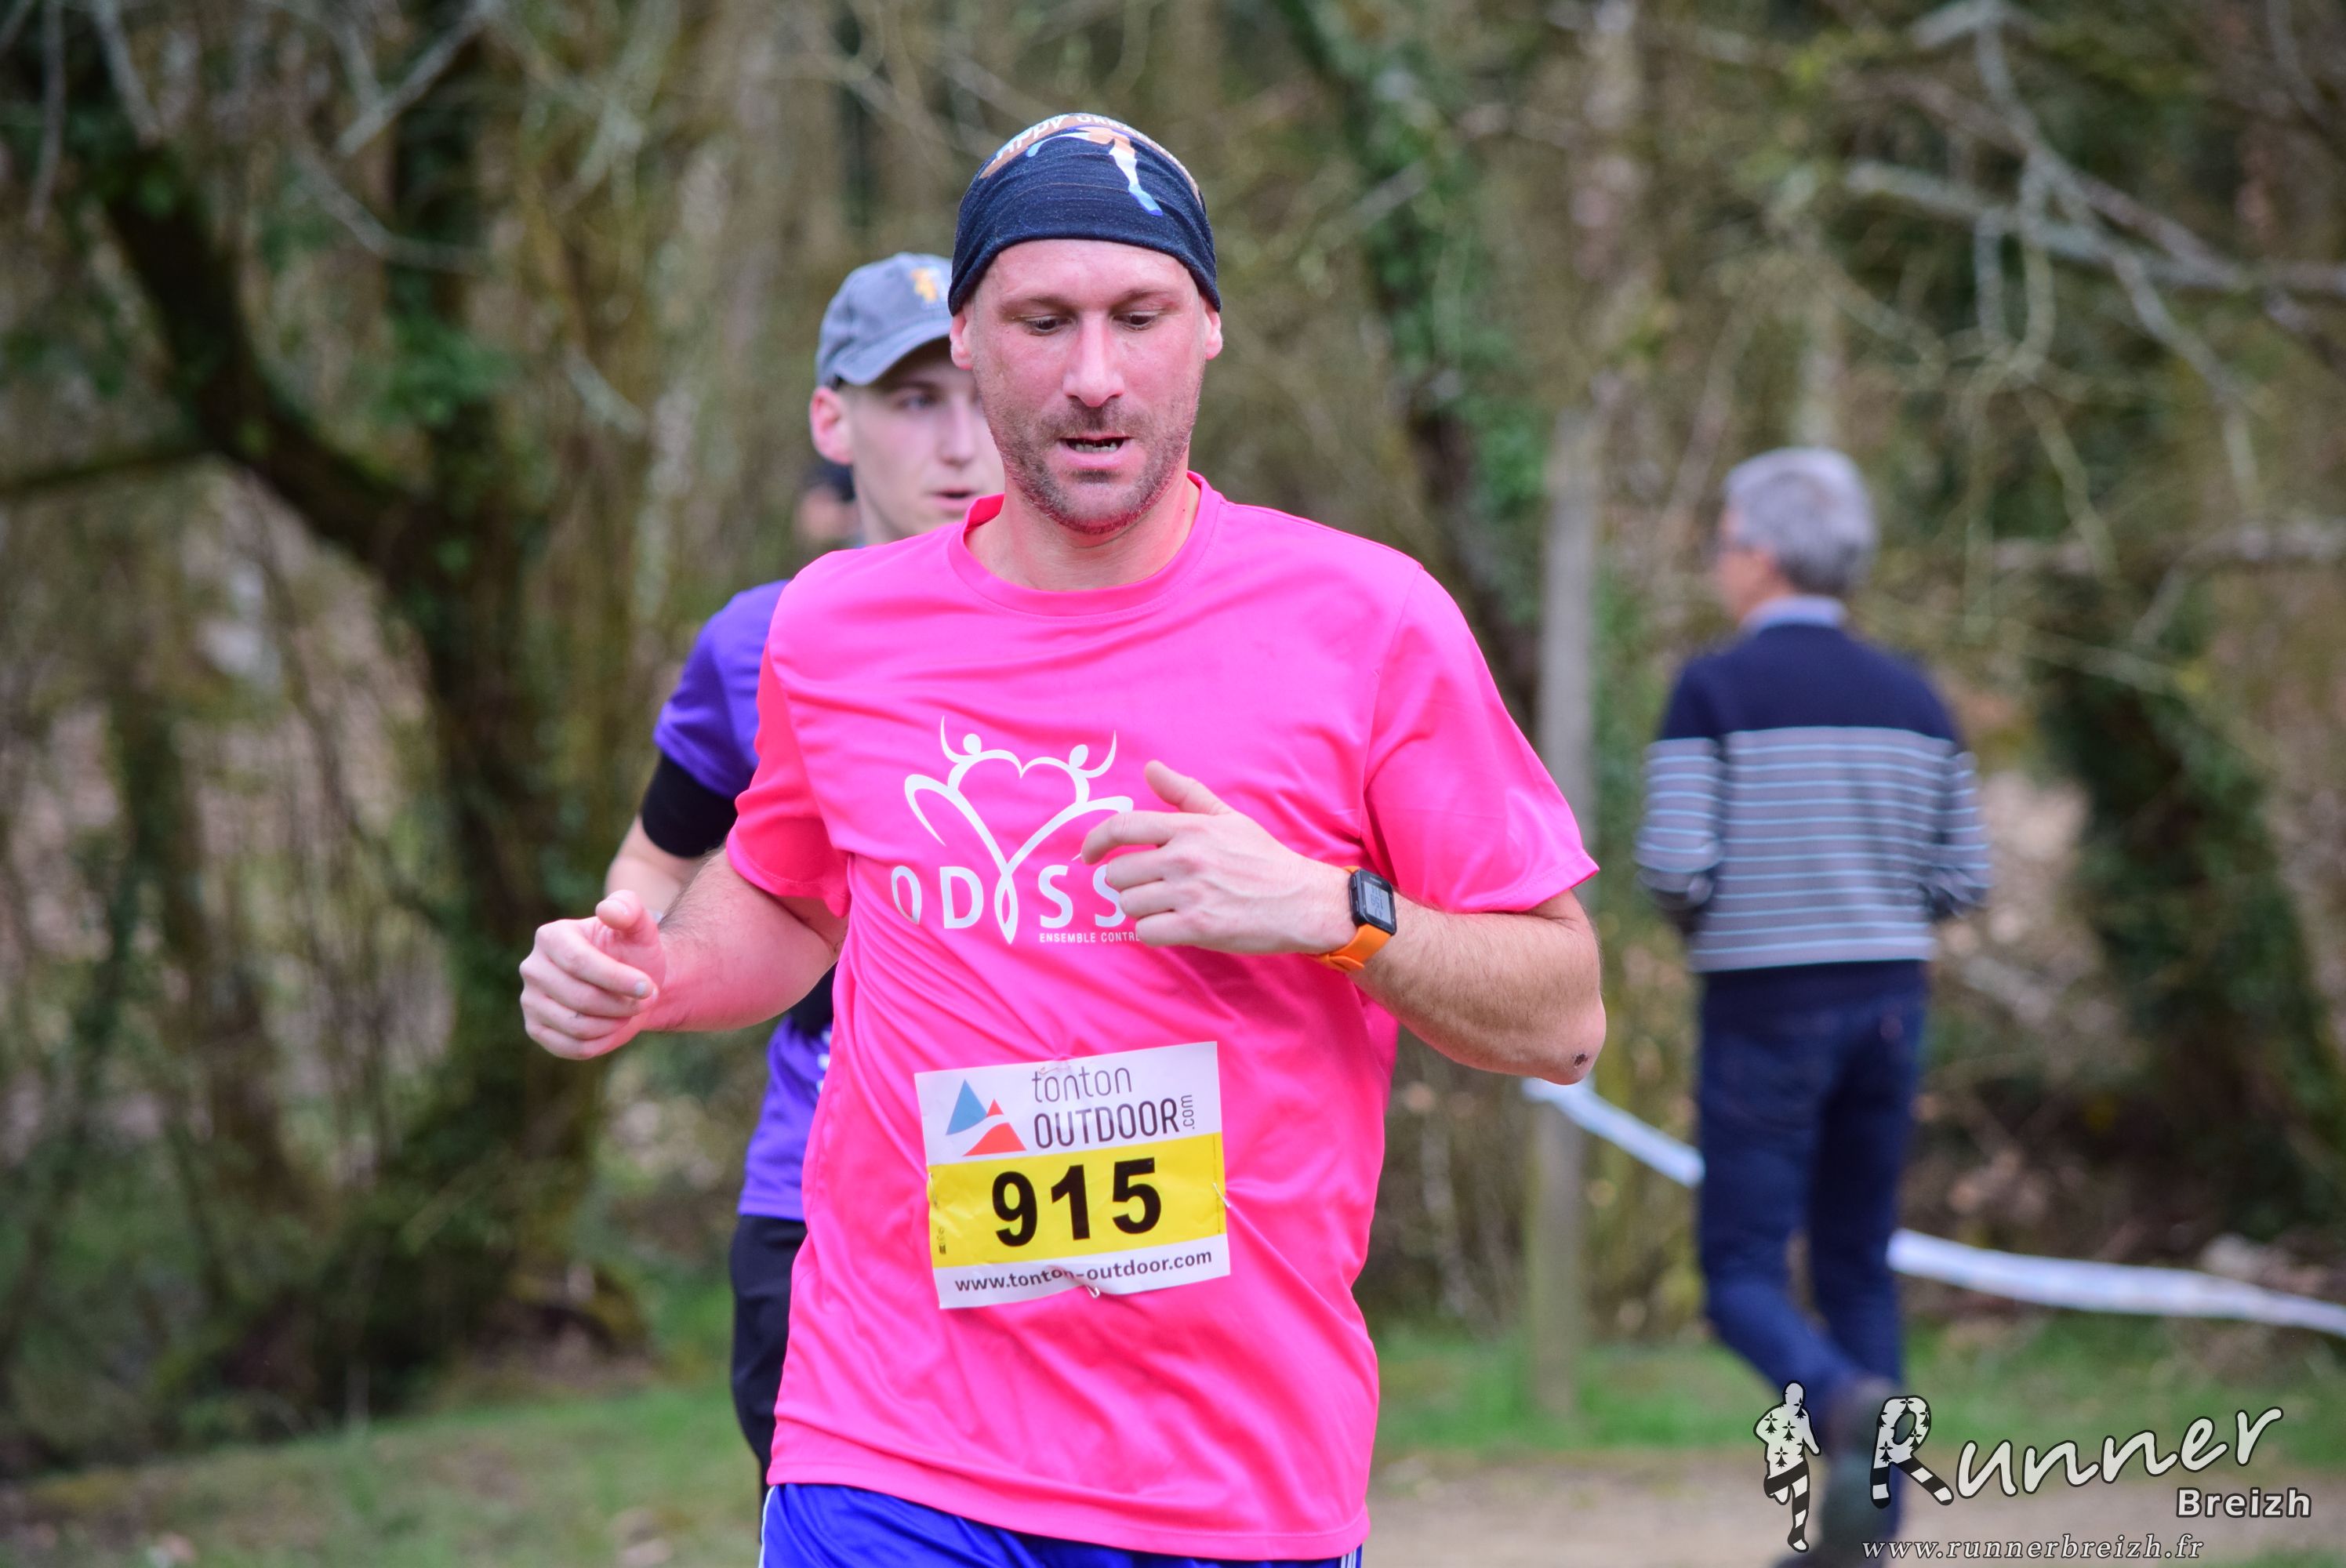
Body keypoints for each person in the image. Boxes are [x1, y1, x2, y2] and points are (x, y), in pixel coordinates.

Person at [522, 111, 1604, 1567]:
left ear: (1207, 329)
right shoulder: (834, 631)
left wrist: (1334, 909)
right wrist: (648, 975)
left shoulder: (1368, 623)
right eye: (1044, 321)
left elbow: (1564, 1017)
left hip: (1232, 1473)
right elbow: (786, 902)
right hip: (890, 1442)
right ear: (968, 340)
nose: (1095, 374)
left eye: (1138, 316)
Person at [600, 250, 1001, 1485]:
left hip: (1052, 1176)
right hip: (819, 1199)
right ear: (834, 419)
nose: (961, 444)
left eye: (983, 397)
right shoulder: (759, 642)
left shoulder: (1114, 629)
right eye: (914, 400)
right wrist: (616, 966)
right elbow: (654, 865)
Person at [1632, 448, 1991, 1560]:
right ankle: (1871, 1529)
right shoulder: (1916, 699)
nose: (1717, 562)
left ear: (1764, 556)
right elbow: (1963, 879)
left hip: (1763, 1009)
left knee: (1740, 1274)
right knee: (1857, 1262)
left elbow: (1675, 867)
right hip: (1890, 1010)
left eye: (1724, 542)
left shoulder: (1713, 692)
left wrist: (1728, 922)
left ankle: (1838, 1404)